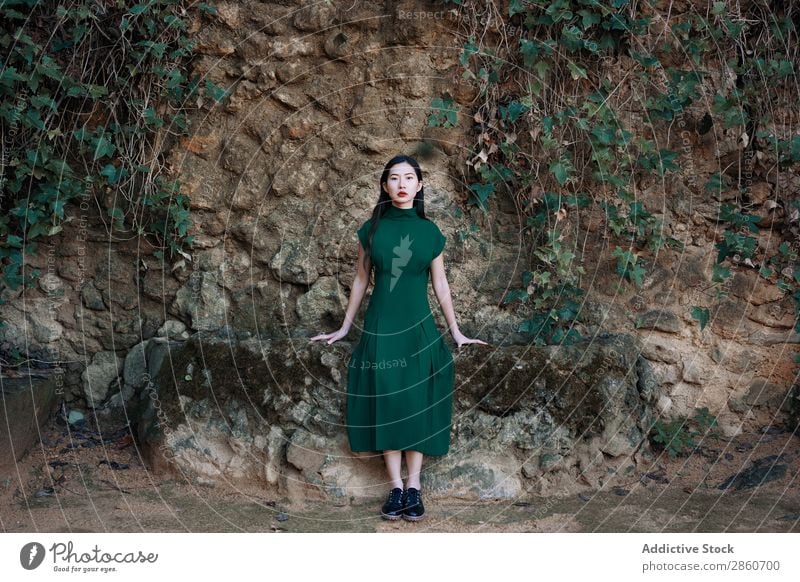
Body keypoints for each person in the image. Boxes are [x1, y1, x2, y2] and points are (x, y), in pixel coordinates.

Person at [311, 155, 487, 521]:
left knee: (415, 401)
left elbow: (440, 282)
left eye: (409, 178)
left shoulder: (430, 232)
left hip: (418, 327)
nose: (402, 184)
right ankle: (395, 487)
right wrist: (345, 327)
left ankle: (415, 487)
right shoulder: (371, 230)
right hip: (380, 326)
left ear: (420, 185)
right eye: (394, 178)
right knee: (388, 400)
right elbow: (361, 279)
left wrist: (456, 331)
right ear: (385, 185)